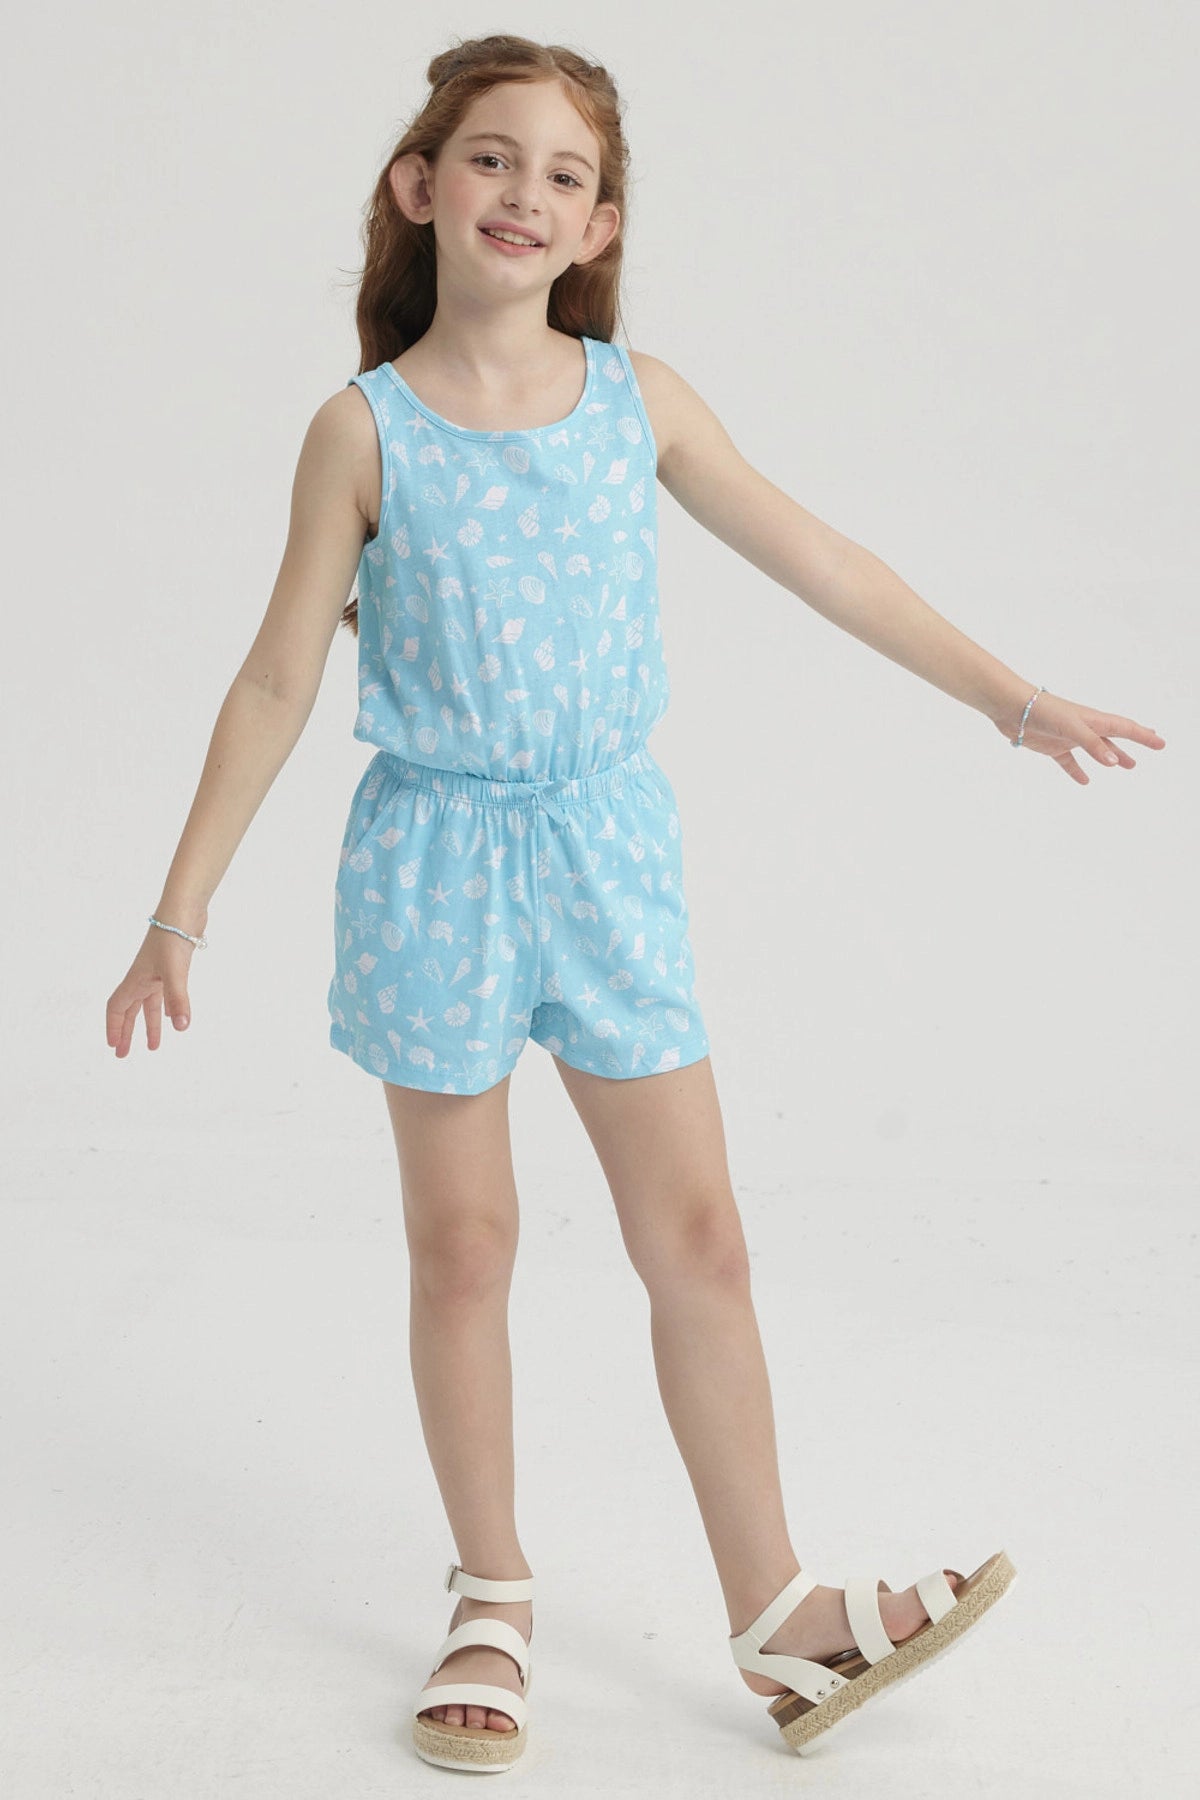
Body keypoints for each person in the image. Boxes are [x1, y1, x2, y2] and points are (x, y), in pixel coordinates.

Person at [105, 32, 1165, 1776]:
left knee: (703, 1239)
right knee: (466, 1247)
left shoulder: (639, 401)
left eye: (567, 175)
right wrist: (179, 908)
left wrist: (1010, 696)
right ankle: (493, 1594)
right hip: (435, 870)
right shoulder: (359, 431)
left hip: (606, 858)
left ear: (600, 227)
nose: (526, 194)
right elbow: (280, 675)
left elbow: (823, 558)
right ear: (419, 186)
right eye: (493, 158)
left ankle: (780, 1618)